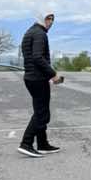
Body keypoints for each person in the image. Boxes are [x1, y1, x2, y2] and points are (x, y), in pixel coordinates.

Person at [19, 12, 63, 156]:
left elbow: (35, 57)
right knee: (42, 114)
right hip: (36, 79)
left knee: (41, 111)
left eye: (52, 19)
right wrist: (53, 74)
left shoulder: (31, 31)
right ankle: (26, 143)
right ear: (40, 19)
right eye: (48, 18)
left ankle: (42, 143)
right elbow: (38, 57)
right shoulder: (40, 34)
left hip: (33, 77)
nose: (51, 22)